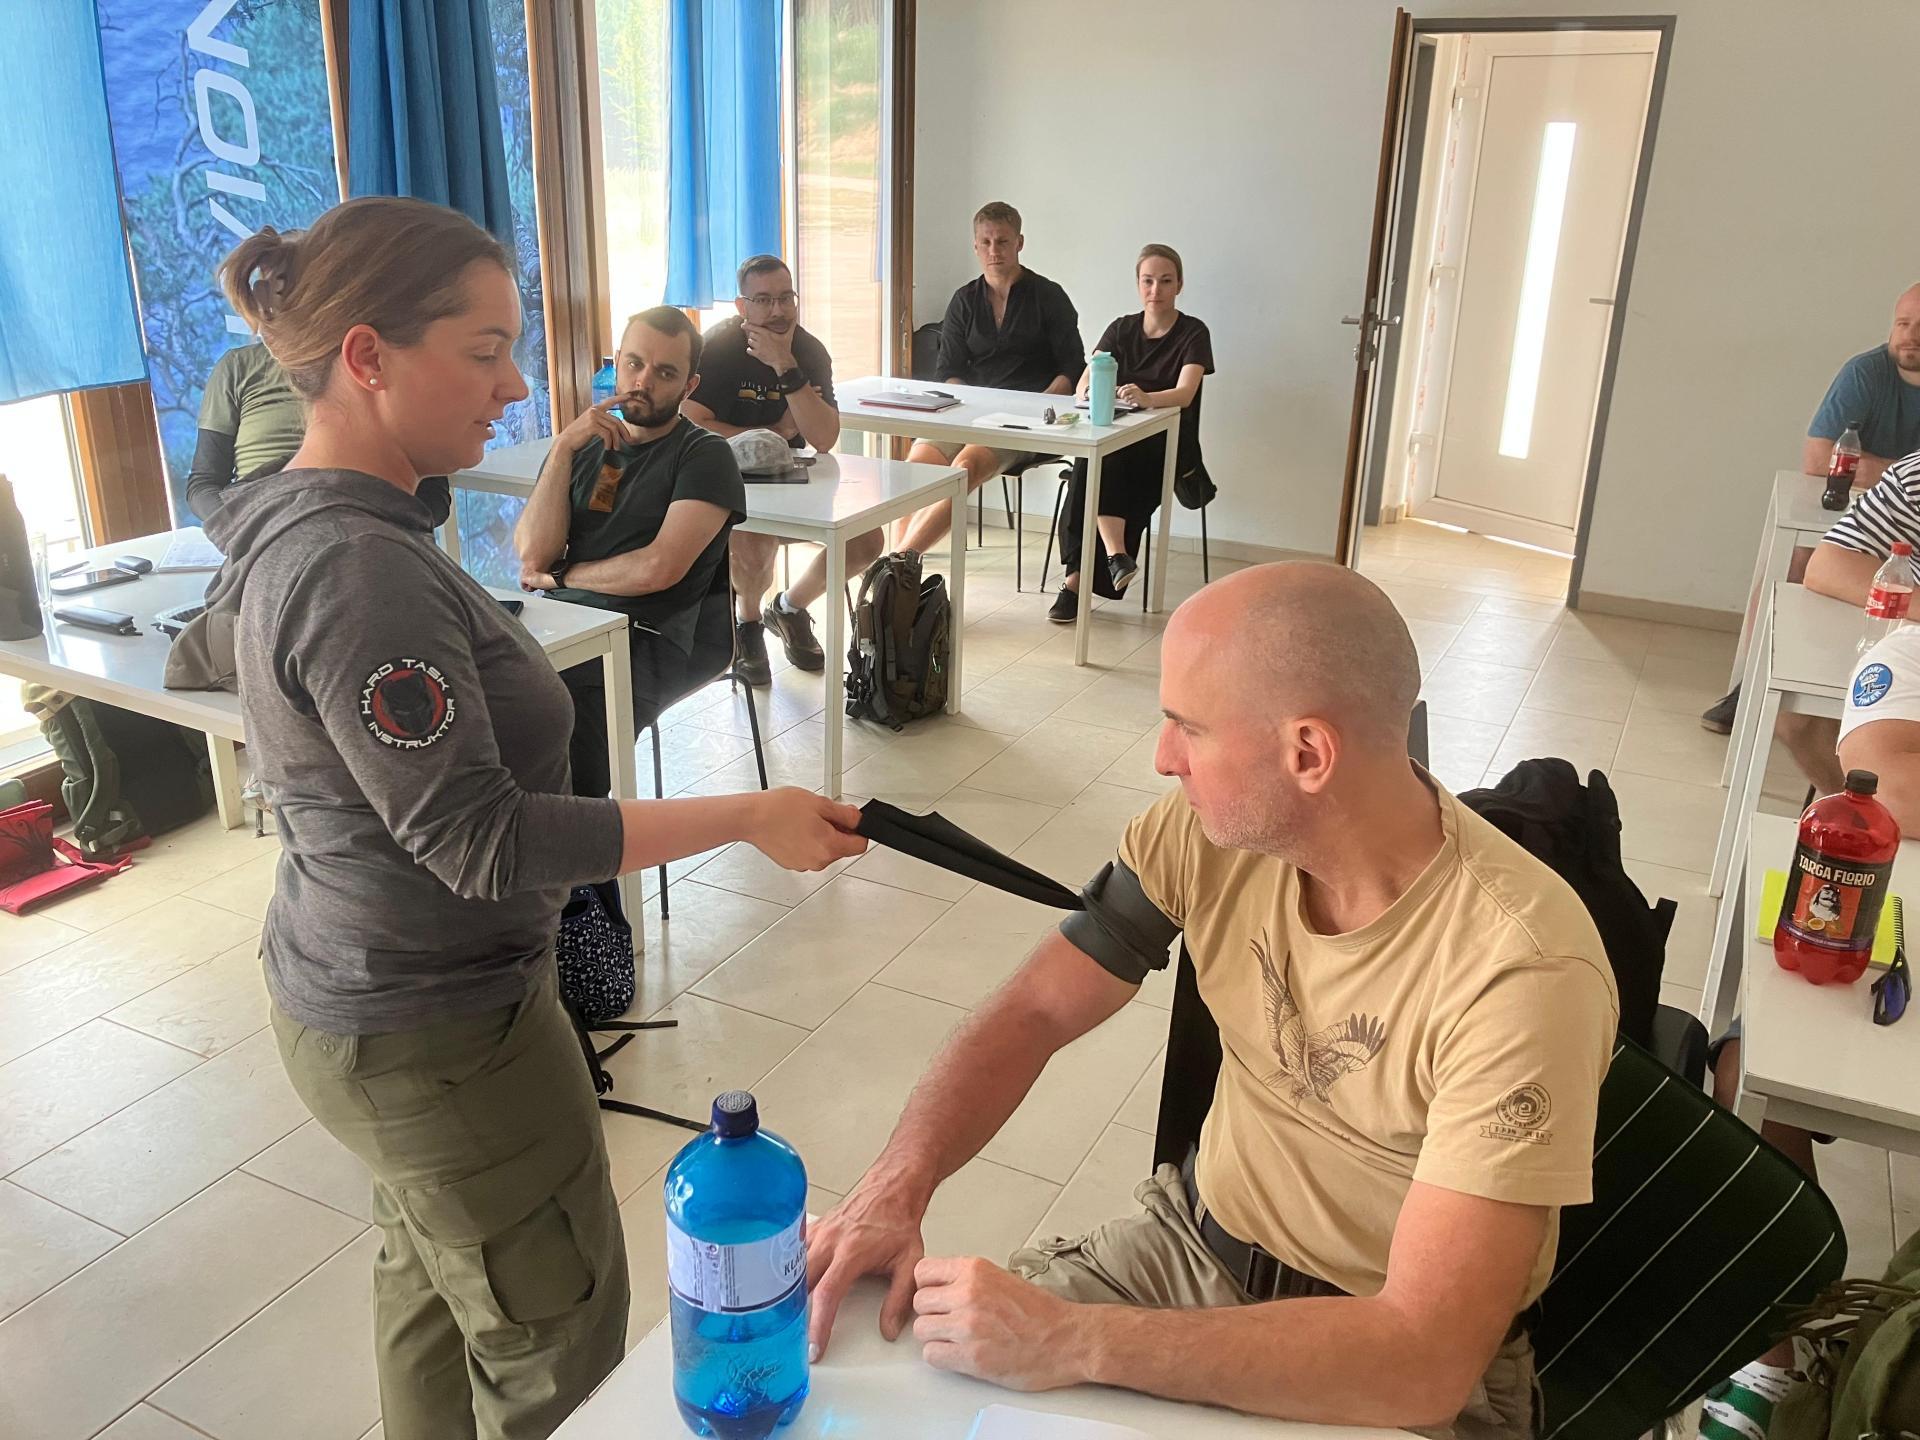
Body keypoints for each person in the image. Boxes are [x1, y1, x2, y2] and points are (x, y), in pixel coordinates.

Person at [205, 197, 866, 1440]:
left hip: (370, 1000)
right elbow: (484, 840)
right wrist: (746, 814)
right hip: (440, 1028)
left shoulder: (336, 525)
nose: (516, 386)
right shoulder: (356, 566)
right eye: (484, 351)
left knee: (435, 1294)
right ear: (367, 357)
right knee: (552, 1340)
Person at [806, 562, 1618, 1440]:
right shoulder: (1207, 833)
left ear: (1308, 754)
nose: (1164, 758)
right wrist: (896, 1184)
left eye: (1188, 727)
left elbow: (1422, 1360)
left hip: (1374, 1356)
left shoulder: (1524, 972)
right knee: (920, 1400)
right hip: (1188, 1251)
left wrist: (1074, 1340)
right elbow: (1038, 1008)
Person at [514, 306, 745, 800]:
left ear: (689, 386)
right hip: (568, 626)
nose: (643, 382)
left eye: (665, 373)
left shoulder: (704, 455)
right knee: (479, 699)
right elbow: (533, 555)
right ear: (616, 363)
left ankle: (581, 845)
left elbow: (658, 569)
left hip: (651, 637)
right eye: (635, 364)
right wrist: (563, 448)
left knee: (564, 727)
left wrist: (564, 576)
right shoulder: (586, 446)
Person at [1701, 284, 1920, 734]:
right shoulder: (1865, 373)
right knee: (1797, 563)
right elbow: (1821, 459)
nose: (1910, 335)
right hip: (1863, 512)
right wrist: (1899, 473)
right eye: (1903, 323)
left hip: (1905, 529)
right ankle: (1752, 686)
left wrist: (1875, 469)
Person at [683, 254, 882, 686]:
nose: (777, 310)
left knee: (867, 540)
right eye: (763, 300)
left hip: (791, 474)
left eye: (785, 297)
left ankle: (789, 608)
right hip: (727, 475)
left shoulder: (809, 351)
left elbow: (823, 437)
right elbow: (691, 422)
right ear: (742, 307)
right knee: (754, 540)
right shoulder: (717, 349)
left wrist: (785, 366)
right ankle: (748, 624)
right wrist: (774, 431)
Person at [897, 202, 1084, 557]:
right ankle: (894, 565)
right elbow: (948, 370)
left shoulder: (1049, 296)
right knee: (915, 469)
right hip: (967, 412)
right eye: (986, 242)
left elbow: (1072, 368)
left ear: (1019, 243)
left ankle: (902, 560)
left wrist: (1038, 405)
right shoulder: (964, 300)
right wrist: (970, 408)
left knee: (966, 466)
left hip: (1026, 421)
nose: (994, 250)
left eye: (1002, 241)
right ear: (976, 246)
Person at [1047, 244, 1213, 623]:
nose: (1156, 290)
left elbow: (1185, 393)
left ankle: (1082, 578)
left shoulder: (1193, 332)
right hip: (1117, 442)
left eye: (1165, 281)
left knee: (1098, 465)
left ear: (1179, 285)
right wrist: (1089, 392)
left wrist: (1147, 398)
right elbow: (1087, 377)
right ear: (1138, 284)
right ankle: (1111, 560)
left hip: (1166, 445)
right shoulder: (1121, 328)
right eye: (1148, 281)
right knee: (1092, 460)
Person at [186, 339, 451, 528]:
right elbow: (203, 483)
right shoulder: (238, 367)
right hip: (261, 517)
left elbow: (434, 495)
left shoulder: (375, 364)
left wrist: (376, 527)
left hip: (362, 522)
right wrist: (245, 526)